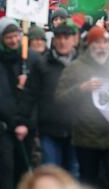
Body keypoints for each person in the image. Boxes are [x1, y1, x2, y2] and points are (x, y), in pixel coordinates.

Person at [56, 26, 109, 189]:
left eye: (105, 42)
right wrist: (81, 89)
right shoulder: (75, 68)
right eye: (97, 42)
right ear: (89, 44)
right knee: (89, 181)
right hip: (86, 137)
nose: (102, 46)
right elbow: (60, 98)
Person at [16, 21, 81, 177]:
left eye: (66, 37)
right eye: (59, 37)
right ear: (53, 40)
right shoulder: (42, 64)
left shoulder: (81, 64)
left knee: (73, 175)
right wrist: (22, 122)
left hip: (77, 131)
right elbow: (30, 94)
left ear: (73, 40)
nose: (63, 41)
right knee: (50, 176)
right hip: (49, 130)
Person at [0, 17, 35, 189]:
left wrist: (26, 122)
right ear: (1, 38)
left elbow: (37, 91)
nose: (13, 40)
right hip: (2, 126)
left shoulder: (29, 59)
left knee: (24, 169)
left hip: (26, 126)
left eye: (16, 36)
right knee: (7, 167)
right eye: (8, 37)